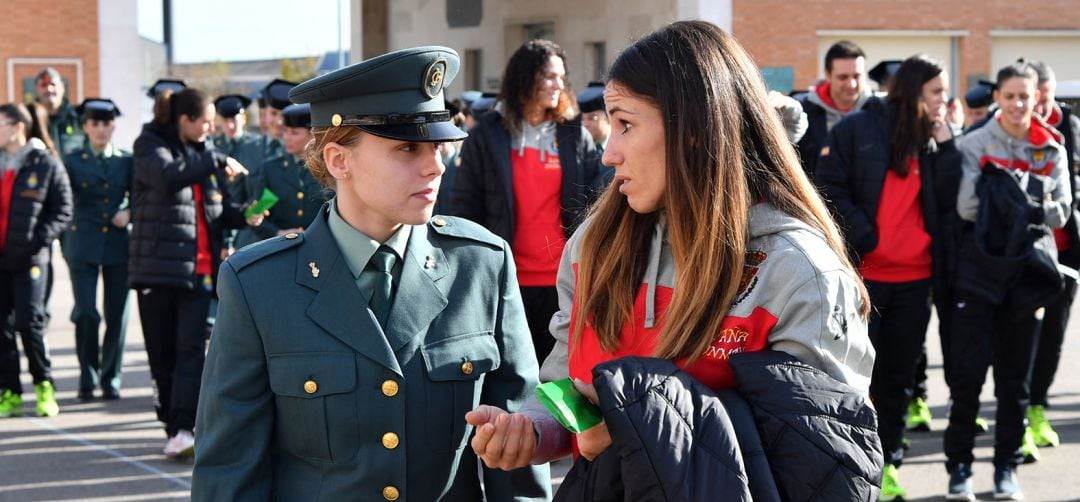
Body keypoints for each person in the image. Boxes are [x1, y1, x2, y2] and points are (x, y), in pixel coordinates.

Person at [465, 19, 874, 489]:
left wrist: (625, 426)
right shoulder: (594, 244)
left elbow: (820, 465)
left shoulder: (796, 272)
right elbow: (565, 382)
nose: (608, 153)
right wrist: (536, 428)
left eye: (626, 124)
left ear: (694, 129)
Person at [192, 46, 551, 501]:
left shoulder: (481, 265)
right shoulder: (258, 284)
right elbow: (229, 469)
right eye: (407, 148)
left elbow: (516, 455)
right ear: (340, 161)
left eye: (438, 147)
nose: (434, 165)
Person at [815, 54, 961, 502]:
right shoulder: (857, 129)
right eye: (936, 92)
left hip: (916, 282)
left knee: (897, 379)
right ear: (915, 91)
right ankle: (851, 466)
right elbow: (829, 187)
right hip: (865, 281)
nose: (944, 100)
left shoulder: (933, 140)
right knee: (854, 381)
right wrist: (870, 239)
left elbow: (950, 205)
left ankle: (888, 463)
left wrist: (949, 145)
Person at [945, 60, 1071, 501]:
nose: (1019, 104)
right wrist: (1029, 201)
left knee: (1015, 382)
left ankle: (1006, 469)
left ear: (1037, 97)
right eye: (1011, 95)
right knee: (968, 378)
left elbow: (1063, 212)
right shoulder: (974, 143)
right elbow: (967, 209)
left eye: (1026, 96)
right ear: (997, 97)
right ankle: (958, 469)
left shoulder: (1051, 146)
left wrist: (1008, 198)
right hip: (979, 276)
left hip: (1028, 277)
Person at [450, 39, 607, 365]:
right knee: (513, 377)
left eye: (561, 77)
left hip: (563, 283)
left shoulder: (573, 134)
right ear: (525, 77)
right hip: (507, 282)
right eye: (549, 76)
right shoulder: (488, 135)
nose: (558, 84)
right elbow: (465, 206)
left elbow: (596, 203)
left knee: (559, 378)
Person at [130, 87, 247, 459]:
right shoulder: (149, 145)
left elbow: (219, 209)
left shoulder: (203, 155)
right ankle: (171, 422)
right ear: (185, 120)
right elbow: (167, 177)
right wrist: (214, 158)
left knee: (192, 349)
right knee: (162, 354)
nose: (210, 129)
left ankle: (185, 427)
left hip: (201, 271)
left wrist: (245, 214)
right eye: (206, 122)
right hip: (159, 271)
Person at [0, 102, 73, 418]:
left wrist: (37, 240)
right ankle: (11, 393)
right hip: (1, 260)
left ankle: (45, 387)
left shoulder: (45, 162)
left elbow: (64, 210)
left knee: (29, 324)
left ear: (17, 126)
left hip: (31, 259)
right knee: (1, 328)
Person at [1023, 59, 1080, 456]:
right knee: (1021, 339)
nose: (1040, 107)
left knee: (1054, 337)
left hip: (1066, 251)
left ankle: (1038, 408)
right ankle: (1020, 412)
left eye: (1045, 98)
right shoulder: (1007, 131)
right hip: (1024, 255)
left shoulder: (1070, 127)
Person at [62, 98, 133, 401]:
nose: (101, 130)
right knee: (87, 312)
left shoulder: (126, 160)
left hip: (118, 243)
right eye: (95, 124)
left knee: (117, 314)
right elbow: (63, 199)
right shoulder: (73, 159)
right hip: (83, 242)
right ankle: (87, 374)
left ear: (114, 126)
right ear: (86, 127)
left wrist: (129, 212)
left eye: (106, 124)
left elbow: (139, 194)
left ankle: (110, 377)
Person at [796, 41, 883, 180]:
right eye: (843, 77)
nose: (851, 84)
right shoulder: (804, 111)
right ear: (828, 75)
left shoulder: (879, 110)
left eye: (857, 76)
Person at [243, 103, 328, 241]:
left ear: (312, 136)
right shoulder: (271, 169)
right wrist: (278, 233)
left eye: (294, 133)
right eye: (285, 131)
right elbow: (254, 215)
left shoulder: (328, 169)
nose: (287, 137)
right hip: (282, 250)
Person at [213, 94, 265, 250]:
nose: (230, 126)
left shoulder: (259, 146)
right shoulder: (213, 147)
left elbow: (267, 188)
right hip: (220, 224)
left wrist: (254, 216)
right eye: (225, 121)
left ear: (243, 119)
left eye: (234, 120)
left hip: (252, 228)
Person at [34, 67, 85, 157]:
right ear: (37, 89)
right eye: (44, 85)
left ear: (62, 87)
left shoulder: (79, 116)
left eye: (53, 84)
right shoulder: (30, 120)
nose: (49, 89)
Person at [577, 82, 610, 153]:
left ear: (609, 118)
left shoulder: (623, 146)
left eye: (592, 118)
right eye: (581, 119)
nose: (585, 124)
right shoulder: (578, 150)